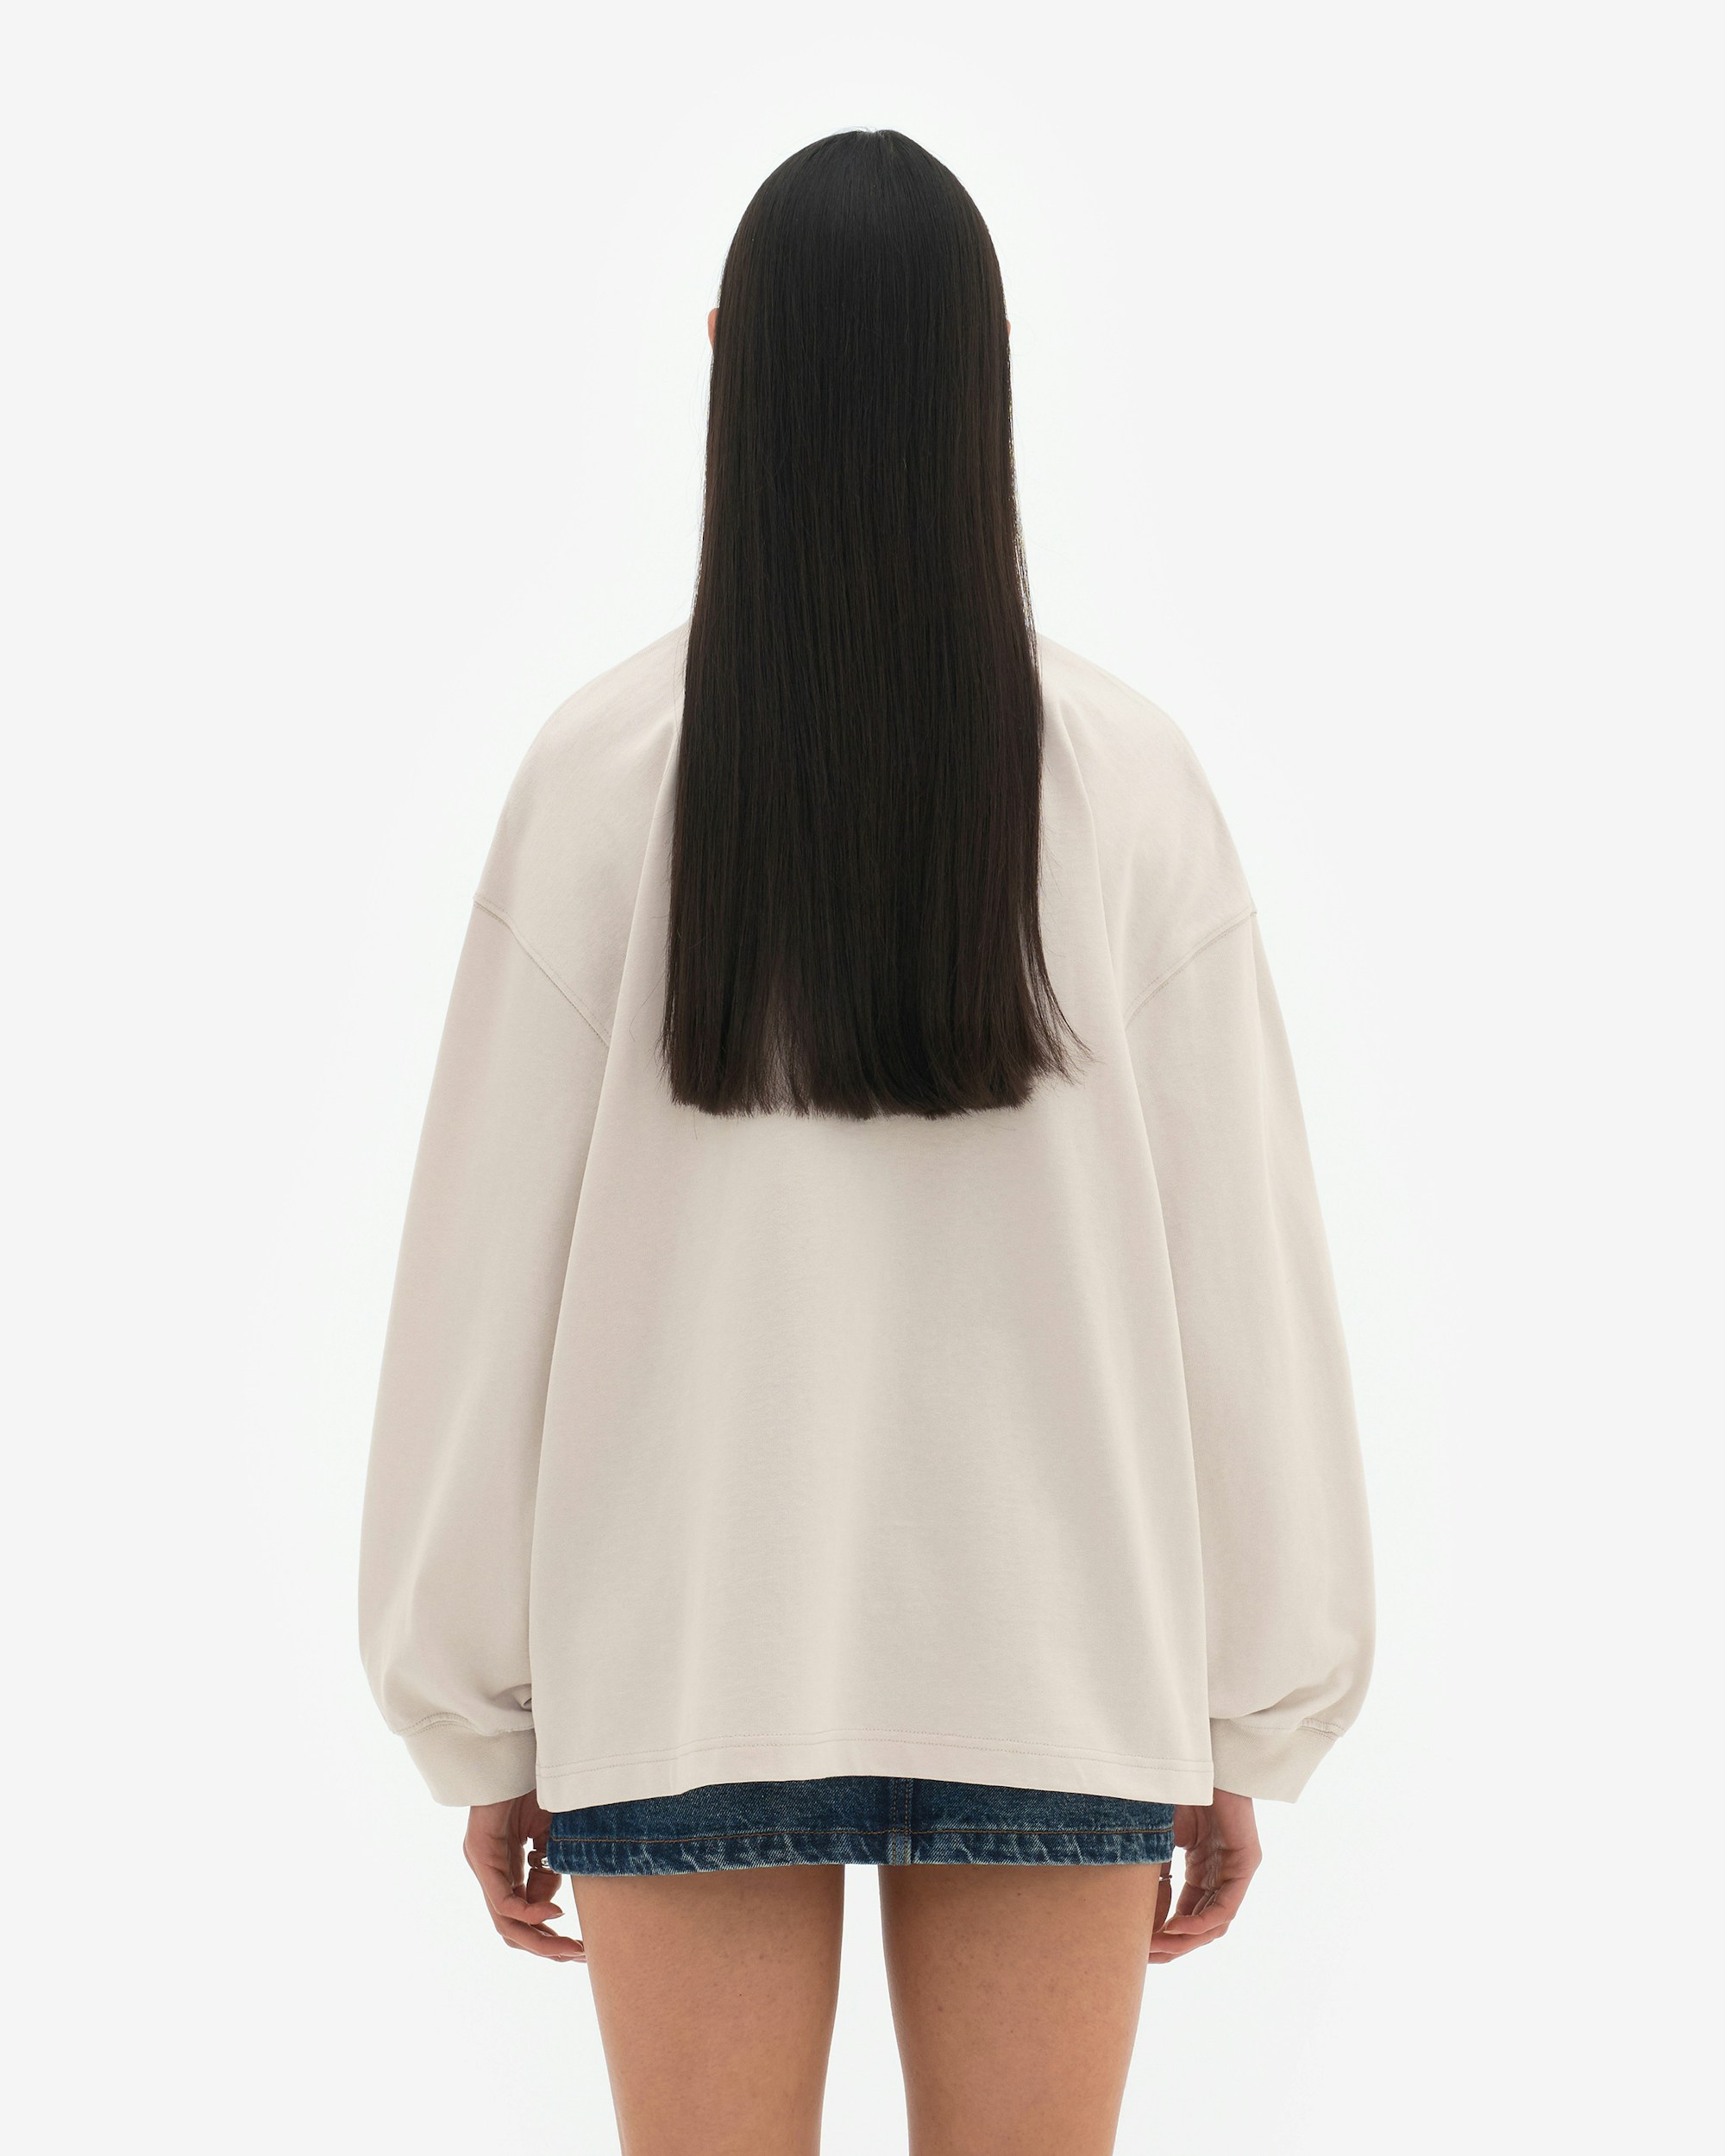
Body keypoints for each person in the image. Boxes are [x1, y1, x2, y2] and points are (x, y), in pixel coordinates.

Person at [360, 128, 1373, 2155]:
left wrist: (476, 1704)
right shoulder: (1131, 783)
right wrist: (1245, 1701)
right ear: (981, 381)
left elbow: (482, 1277)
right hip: (1062, 1662)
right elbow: (1241, 1281)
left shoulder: (598, 777)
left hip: (684, 1654)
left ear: (725, 358)